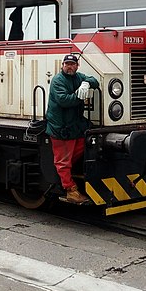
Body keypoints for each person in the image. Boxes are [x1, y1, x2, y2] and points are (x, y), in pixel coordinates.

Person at [46, 53, 100, 204]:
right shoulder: (58, 80)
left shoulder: (78, 77)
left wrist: (87, 83)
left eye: (72, 64)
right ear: (62, 65)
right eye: (67, 64)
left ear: (77, 66)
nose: (70, 66)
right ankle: (71, 190)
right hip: (61, 127)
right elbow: (64, 100)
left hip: (75, 126)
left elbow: (95, 81)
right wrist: (79, 96)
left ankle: (69, 177)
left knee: (78, 151)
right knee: (63, 161)